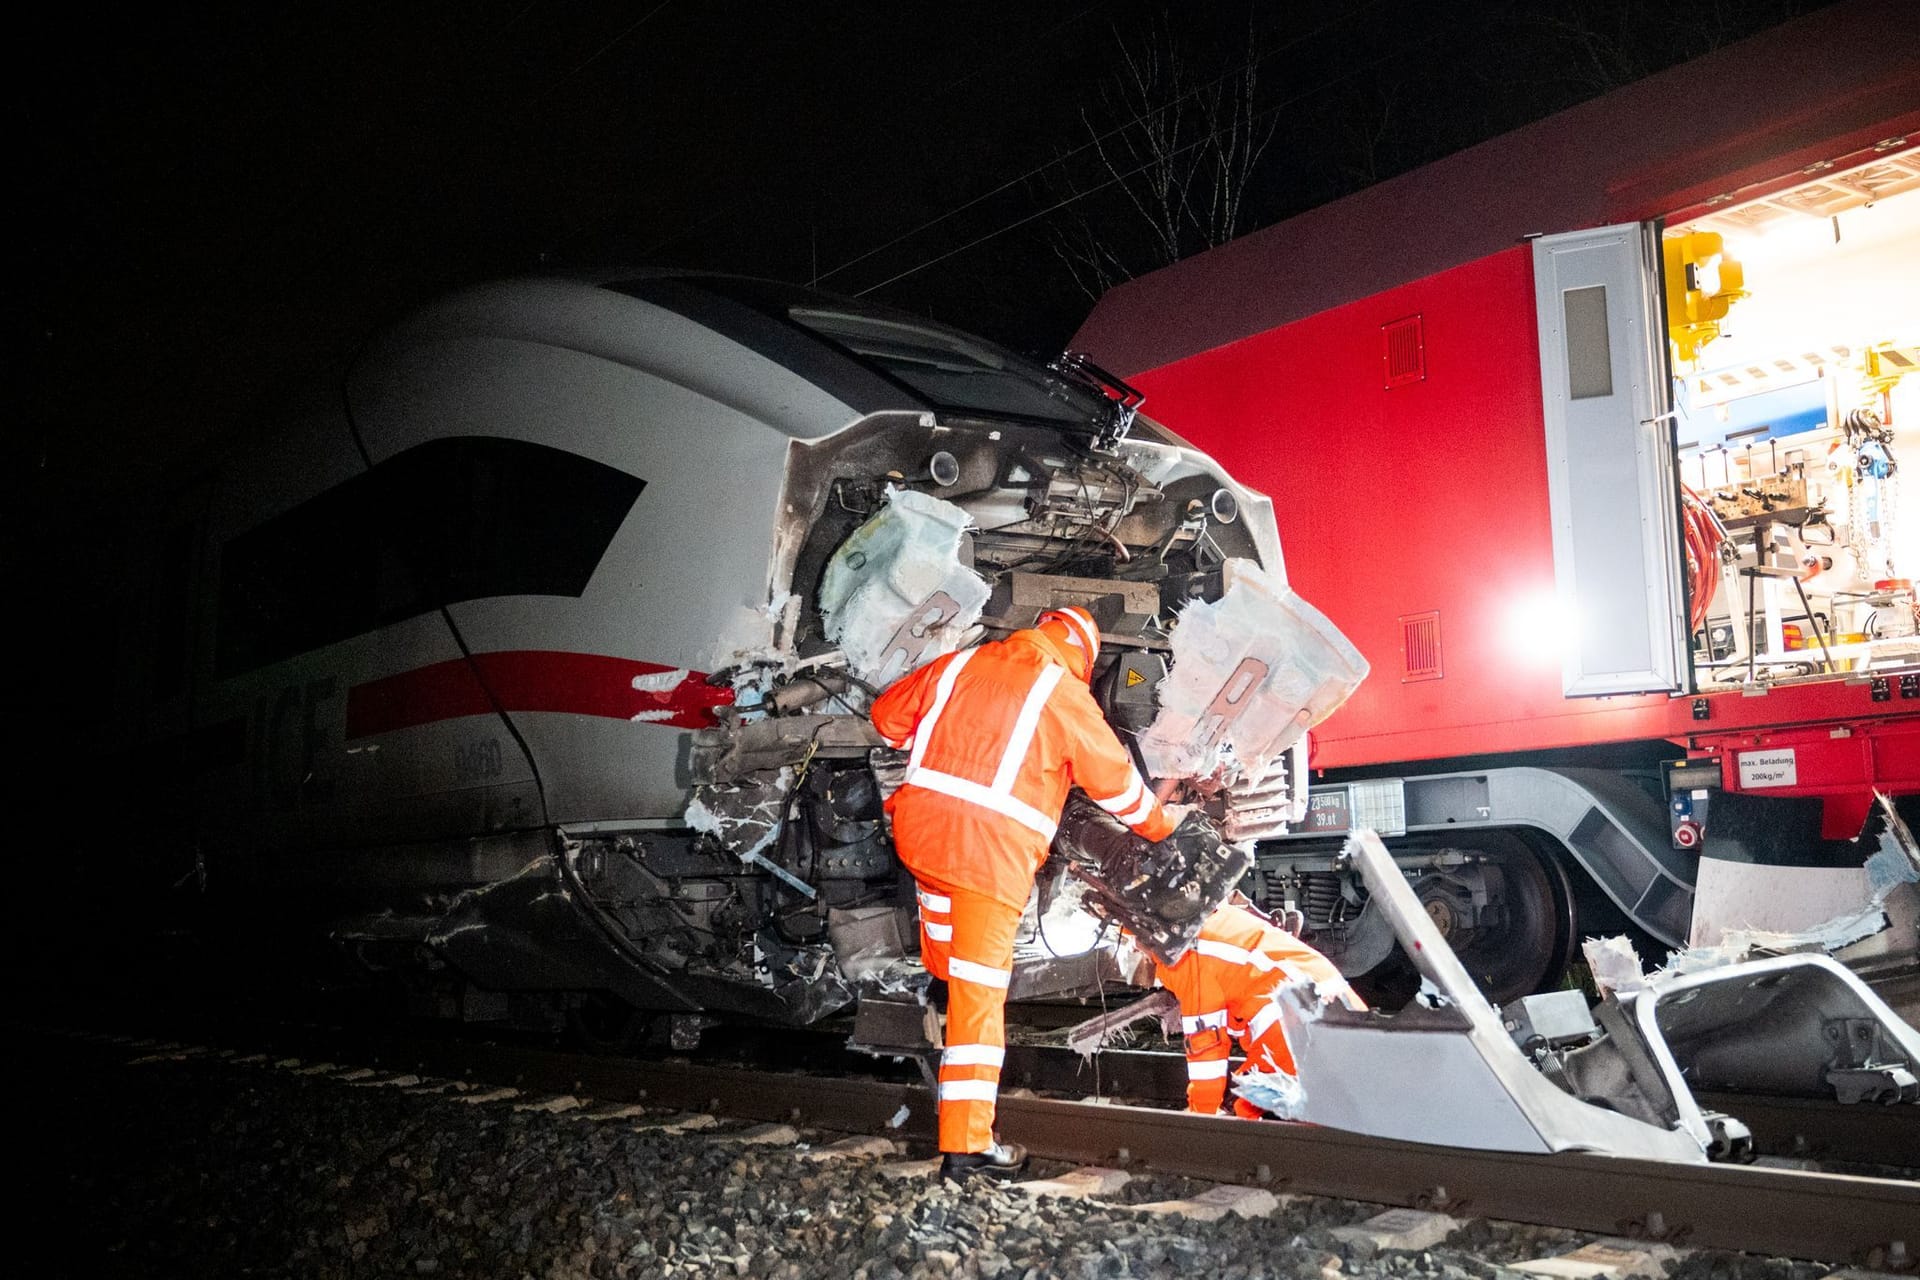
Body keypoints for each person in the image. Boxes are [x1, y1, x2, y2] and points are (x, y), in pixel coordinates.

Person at [870, 605, 1177, 1181]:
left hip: (921, 839)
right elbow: (1118, 788)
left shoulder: (960, 664)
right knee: (978, 999)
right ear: (1082, 657)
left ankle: (940, 981)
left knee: (945, 938)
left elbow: (885, 719)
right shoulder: (1063, 694)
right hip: (986, 861)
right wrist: (1164, 831)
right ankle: (967, 1148)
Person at [1150, 899, 1366, 1117]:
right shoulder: (1220, 919)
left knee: (1250, 1112)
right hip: (1343, 1015)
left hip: (1302, 1030)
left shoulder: (1187, 957)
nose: (1136, 948)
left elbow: (1206, 1045)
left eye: (1134, 941)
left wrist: (1200, 1115)